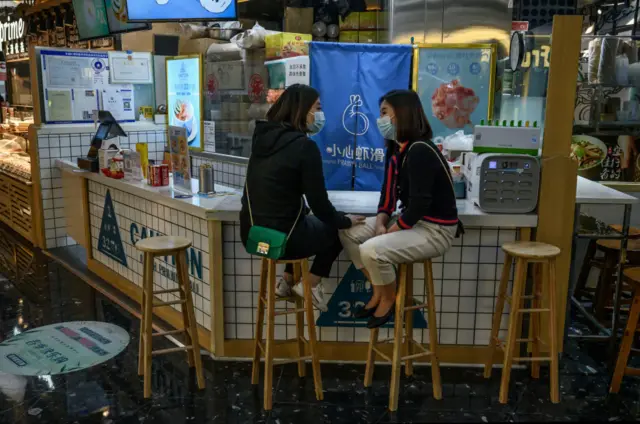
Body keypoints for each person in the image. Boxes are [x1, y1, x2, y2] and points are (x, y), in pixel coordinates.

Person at [339, 89, 460, 328]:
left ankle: (390, 299)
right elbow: (388, 193)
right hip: (412, 222)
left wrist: (390, 231)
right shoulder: (398, 150)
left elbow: (419, 205)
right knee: (349, 232)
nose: (380, 120)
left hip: (434, 231)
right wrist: (382, 221)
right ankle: (379, 291)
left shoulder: (420, 151)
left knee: (372, 250)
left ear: (401, 114)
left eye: (384, 113)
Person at [241, 84, 364, 311]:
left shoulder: (262, 140)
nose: (319, 114)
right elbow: (320, 205)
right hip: (287, 241)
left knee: (305, 221)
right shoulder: (304, 147)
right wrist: (345, 220)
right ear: (302, 110)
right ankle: (309, 285)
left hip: (253, 235)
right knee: (337, 230)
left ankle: (287, 282)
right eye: (317, 108)